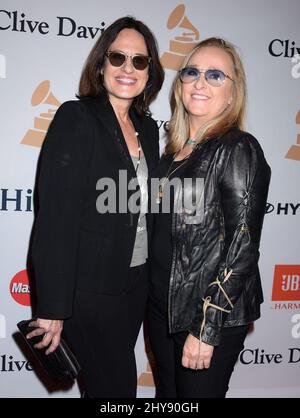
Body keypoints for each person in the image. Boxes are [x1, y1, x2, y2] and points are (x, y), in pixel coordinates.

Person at [27, 16, 164, 398]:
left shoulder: (148, 128)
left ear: (149, 71)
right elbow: (56, 216)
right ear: (101, 63)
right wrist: (53, 307)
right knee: (116, 390)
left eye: (139, 61)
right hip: (87, 291)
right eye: (117, 57)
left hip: (134, 286)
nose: (127, 69)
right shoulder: (77, 118)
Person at [147, 37, 271, 398]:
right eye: (192, 72)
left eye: (216, 75)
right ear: (180, 83)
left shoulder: (238, 148)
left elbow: (242, 246)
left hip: (205, 313)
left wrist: (207, 326)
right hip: (162, 310)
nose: (200, 82)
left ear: (233, 94)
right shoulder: (171, 155)